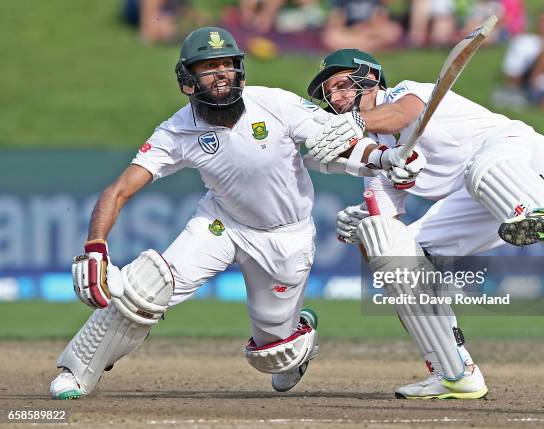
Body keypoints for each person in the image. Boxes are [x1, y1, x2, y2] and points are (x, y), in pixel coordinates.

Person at [49, 27, 332, 400]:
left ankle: (297, 337)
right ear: (188, 80)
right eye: (208, 66)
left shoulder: (275, 103)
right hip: (221, 224)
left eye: (227, 65)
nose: (220, 74)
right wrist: (95, 246)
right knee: (144, 288)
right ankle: (77, 371)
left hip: (286, 236)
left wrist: (378, 157)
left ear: (239, 70)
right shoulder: (177, 130)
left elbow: (336, 139)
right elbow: (117, 192)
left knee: (273, 355)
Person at [303, 48, 544, 399]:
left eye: (341, 85)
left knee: (480, 169)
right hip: (476, 202)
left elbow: (403, 114)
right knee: (395, 256)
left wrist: (354, 125)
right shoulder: (376, 158)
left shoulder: (404, 92)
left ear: (369, 79)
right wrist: (362, 232)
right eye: (329, 92)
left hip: (521, 158)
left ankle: (534, 212)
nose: (335, 98)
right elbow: (383, 252)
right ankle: (455, 372)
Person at [321, 0, 403, 52]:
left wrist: (367, 28)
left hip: (370, 30)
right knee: (331, 36)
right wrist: (355, 30)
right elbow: (336, 21)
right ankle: (371, 46)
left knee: (394, 30)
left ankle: (354, 48)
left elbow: (381, 18)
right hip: (350, 32)